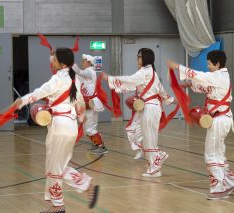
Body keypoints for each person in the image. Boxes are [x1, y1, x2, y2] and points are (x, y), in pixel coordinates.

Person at [18, 48, 99, 212]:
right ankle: (58, 204)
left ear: (61, 64)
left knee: (56, 168)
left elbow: (39, 93)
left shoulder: (58, 79)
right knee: (55, 166)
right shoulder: (73, 78)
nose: (51, 62)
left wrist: (20, 102)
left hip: (60, 126)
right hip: (68, 125)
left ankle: (81, 188)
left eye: (53, 60)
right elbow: (81, 104)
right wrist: (80, 118)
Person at [168, 50, 234, 200]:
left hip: (219, 120)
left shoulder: (219, 76)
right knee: (218, 153)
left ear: (217, 63)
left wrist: (178, 67)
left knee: (211, 154)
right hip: (222, 119)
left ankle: (218, 188)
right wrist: (188, 84)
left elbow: (201, 76)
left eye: (208, 63)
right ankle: (229, 182)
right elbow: (205, 85)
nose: (207, 66)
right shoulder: (219, 77)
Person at [102, 48, 175, 177]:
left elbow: (129, 80)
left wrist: (110, 78)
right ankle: (157, 157)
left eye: (139, 56)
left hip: (150, 107)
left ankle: (155, 166)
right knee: (141, 136)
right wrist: (170, 99)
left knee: (149, 137)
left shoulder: (145, 72)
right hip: (147, 107)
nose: (137, 58)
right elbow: (161, 90)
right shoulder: (150, 72)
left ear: (145, 58)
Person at [72, 54, 108, 154]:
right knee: (88, 128)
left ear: (90, 63)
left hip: (91, 103)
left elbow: (78, 71)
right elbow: (77, 75)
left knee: (89, 128)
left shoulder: (90, 72)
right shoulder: (84, 73)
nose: (82, 62)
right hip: (86, 103)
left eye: (84, 61)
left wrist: (71, 63)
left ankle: (102, 146)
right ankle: (96, 144)